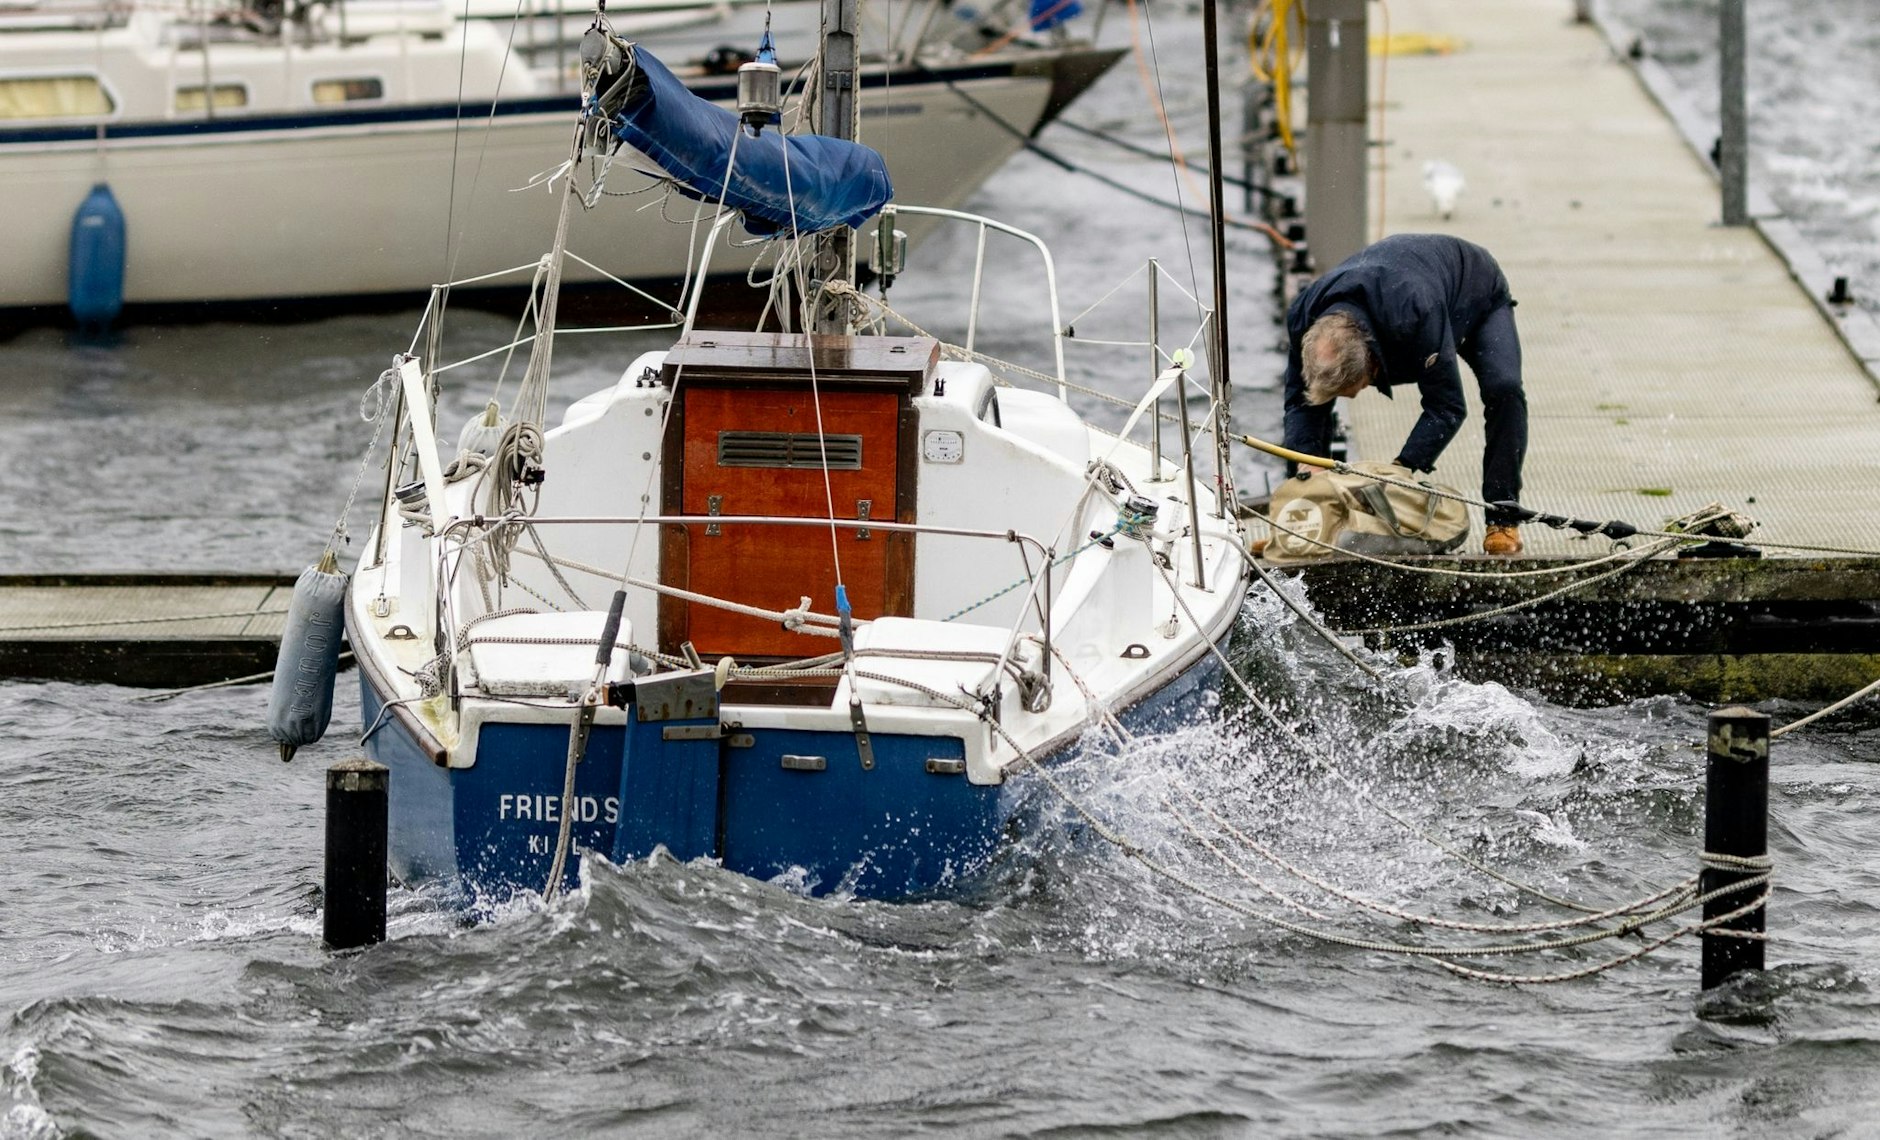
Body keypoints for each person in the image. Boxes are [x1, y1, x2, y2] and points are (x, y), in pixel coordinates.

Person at [1280, 233, 1528, 555]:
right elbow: (1301, 402)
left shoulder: (1415, 313)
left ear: (1372, 364)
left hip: (1476, 293)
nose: (1351, 399)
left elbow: (1447, 407)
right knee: (1310, 422)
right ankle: (1313, 525)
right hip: (1410, 288)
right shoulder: (1303, 315)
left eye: (1352, 390)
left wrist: (1399, 470)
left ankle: (1503, 518)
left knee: (1504, 389)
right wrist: (1307, 467)